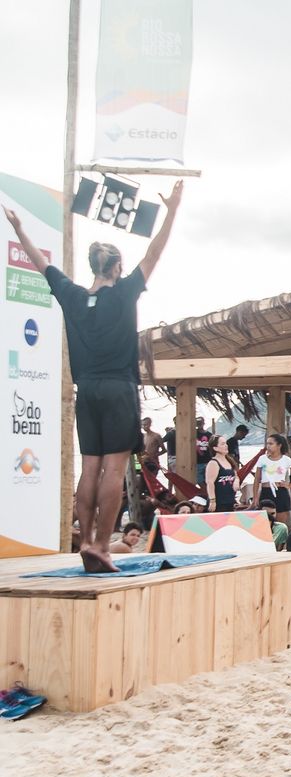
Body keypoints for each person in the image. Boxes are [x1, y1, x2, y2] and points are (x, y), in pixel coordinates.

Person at [6, 182, 182, 572]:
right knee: (114, 469)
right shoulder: (124, 293)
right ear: (117, 268)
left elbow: (42, 264)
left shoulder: (71, 294)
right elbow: (155, 252)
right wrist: (172, 211)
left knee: (90, 467)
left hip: (87, 391)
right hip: (119, 388)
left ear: (93, 267)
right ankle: (103, 545)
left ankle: (85, 539)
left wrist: (19, 230)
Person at [255, 434, 291, 515]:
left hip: (281, 492)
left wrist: (289, 485)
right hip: (265, 492)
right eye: (267, 444)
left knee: (280, 522)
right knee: (265, 521)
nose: (268, 446)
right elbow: (257, 479)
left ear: (279, 445)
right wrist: (255, 498)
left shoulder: (286, 460)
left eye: (271, 444)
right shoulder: (262, 459)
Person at [203, 434, 237, 513]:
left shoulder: (230, 461)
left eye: (225, 443)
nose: (226, 446)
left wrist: (236, 482)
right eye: (222, 444)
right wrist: (212, 501)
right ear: (215, 448)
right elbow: (210, 482)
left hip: (230, 501)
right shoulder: (213, 463)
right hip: (219, 502)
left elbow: (235, 475)